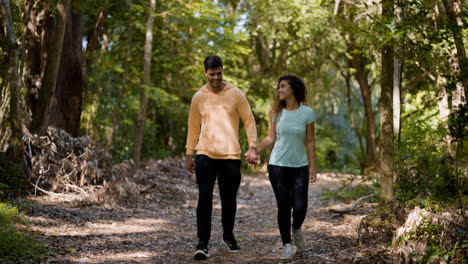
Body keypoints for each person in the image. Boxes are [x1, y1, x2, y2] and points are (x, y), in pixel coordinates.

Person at [185, 55, 258, 260]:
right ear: (206, 73)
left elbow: (249, 121)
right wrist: (189, 153)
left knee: (229, 200)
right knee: (205, 198)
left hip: (231, 155)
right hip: (205, 155)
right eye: (212, 74)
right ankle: (202, 243)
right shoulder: (199, 96)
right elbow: (193, 126)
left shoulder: (235, 94)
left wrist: (252, 146)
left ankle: (228, 235)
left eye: (219, 73)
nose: (216, 78)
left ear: (222, 71)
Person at [255, 74, 316, 260]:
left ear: (293, 89)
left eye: (283, 86)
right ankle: (286, 245)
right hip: (277, 165)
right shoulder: (276, 113)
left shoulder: (307, 113)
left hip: (300, 167)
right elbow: (270, 138)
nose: (279, 90)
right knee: (283, 206)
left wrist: (313, 166)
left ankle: (296, 228)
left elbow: (311, 141)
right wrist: (254, 150)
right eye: (278, 87)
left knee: (300, 207)